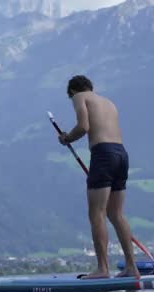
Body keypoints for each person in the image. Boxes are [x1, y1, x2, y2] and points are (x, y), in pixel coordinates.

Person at [56, 75, 138, 279]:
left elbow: (83, 126)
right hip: (121, 154)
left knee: (97, 213)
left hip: (103, 155)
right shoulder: (108, 102)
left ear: (73, 91)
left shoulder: (79, 97)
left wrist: (67, 138)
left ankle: (102, 269)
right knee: (117, 215)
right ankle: (131, 267)